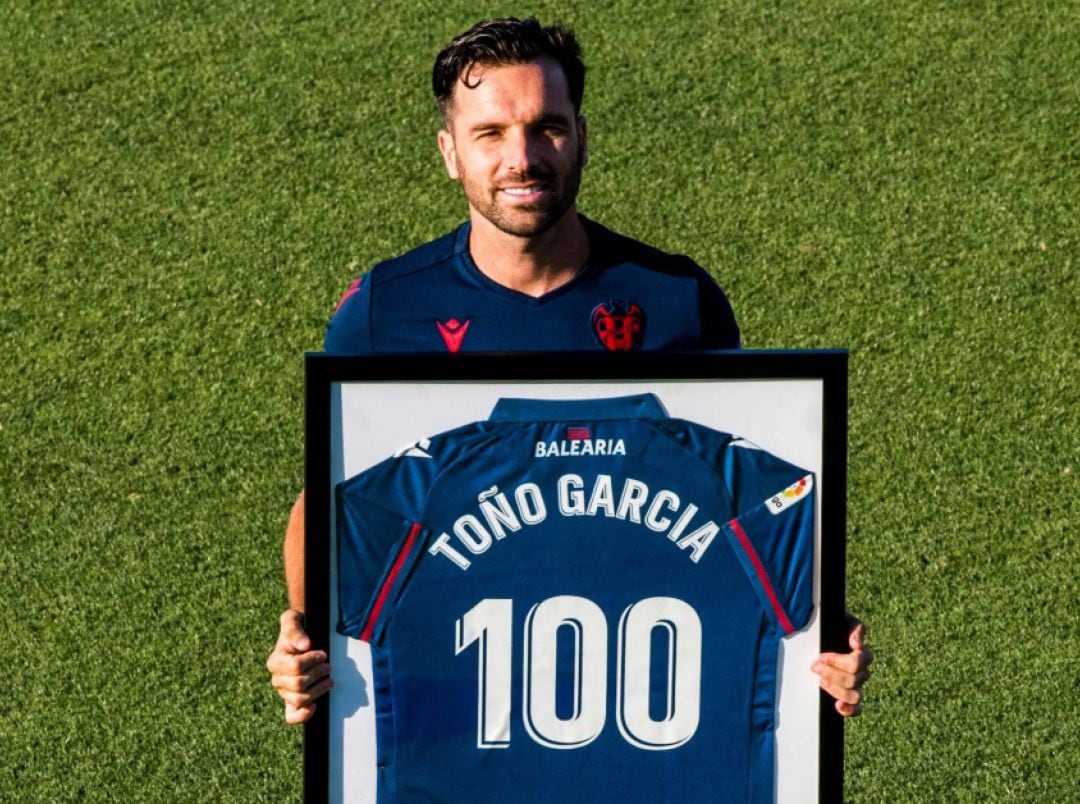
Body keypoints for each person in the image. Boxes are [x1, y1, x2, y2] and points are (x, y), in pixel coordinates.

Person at [267, 16, 871, 726]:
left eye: (546, 127)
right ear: (449, 153)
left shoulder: (678, 301)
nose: (521, 158)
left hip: (646, 696)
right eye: (489, 134)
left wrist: (824, 638)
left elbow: (735, 496)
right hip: (461, 696)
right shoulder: (383, 311)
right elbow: (328, 500)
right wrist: (303, 637)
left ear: (581, 136)